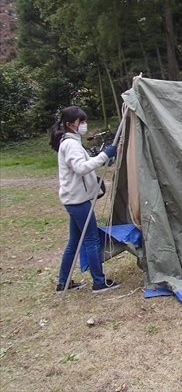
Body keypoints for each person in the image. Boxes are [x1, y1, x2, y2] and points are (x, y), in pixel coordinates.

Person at [49, 106, 121, 294]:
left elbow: (87, 162)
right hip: (77, 201)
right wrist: (104, 155)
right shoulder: (70, 144)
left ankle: (63, 283)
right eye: (81, 122)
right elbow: (81, 168)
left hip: (75, 198)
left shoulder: (71, 141)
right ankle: (99, 282)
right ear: (69, 124)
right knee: (91, 240)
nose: (83, 125)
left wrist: (105, 159)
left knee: (74, 242)